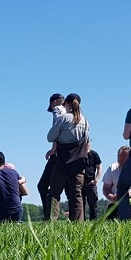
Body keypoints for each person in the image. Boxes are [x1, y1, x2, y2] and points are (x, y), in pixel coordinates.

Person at [46, 93, 90, 221]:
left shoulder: (63, 118)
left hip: (63, 160)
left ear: (67, 104)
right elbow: (87, 143)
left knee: (54, 192)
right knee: (76, 194)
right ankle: (78, 223)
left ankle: (51, 221)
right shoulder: (85, 121)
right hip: (79, 162)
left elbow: (50, 137)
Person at [38, 93, 64, 219]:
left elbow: (56, 130)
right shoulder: (73, 114)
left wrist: (53, 149)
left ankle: (48, 217)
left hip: (58, 154)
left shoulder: (57, 110)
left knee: (43, 185)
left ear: (53, 102)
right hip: (69, 153)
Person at [103, 146, 131, 218]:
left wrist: (128, 195)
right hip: (115, 201)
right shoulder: (112, 168)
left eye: (124, 158)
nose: (121, 161)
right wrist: (111, 196)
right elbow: (106, 188)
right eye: (120, 158)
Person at [0, 151, 24, 223]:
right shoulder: (14, 172)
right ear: (4, 162)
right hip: (17, 213)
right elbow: (24, 192)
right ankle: (17, 222)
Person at [83, 143, 102, 220]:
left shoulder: (94, 154)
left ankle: (93, 221)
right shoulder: (79, 154)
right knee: (80, 204)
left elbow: (99, 168)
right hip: (80, 182)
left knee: (93, 203)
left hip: (91, 181)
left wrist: (96, 180)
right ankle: (81, 221)